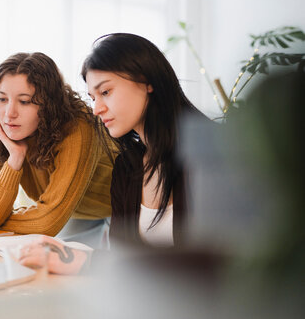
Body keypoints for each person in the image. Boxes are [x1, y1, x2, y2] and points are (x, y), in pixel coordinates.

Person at [19, 33, 210, 273]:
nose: (97, 109)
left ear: (147, 81)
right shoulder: (127, 167)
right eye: (93, 97)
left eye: (106, 92)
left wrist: (84, 262)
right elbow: (122, 260)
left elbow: (214, 269)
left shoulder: (212, 157)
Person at [0, 52, 113, 246]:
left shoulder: (78, 126)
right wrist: (15, 158)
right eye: (2, 99)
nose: (9, 114)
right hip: (74, 212)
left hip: (122, 206)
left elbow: (48, 222)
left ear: (48, 104)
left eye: (24, 101)